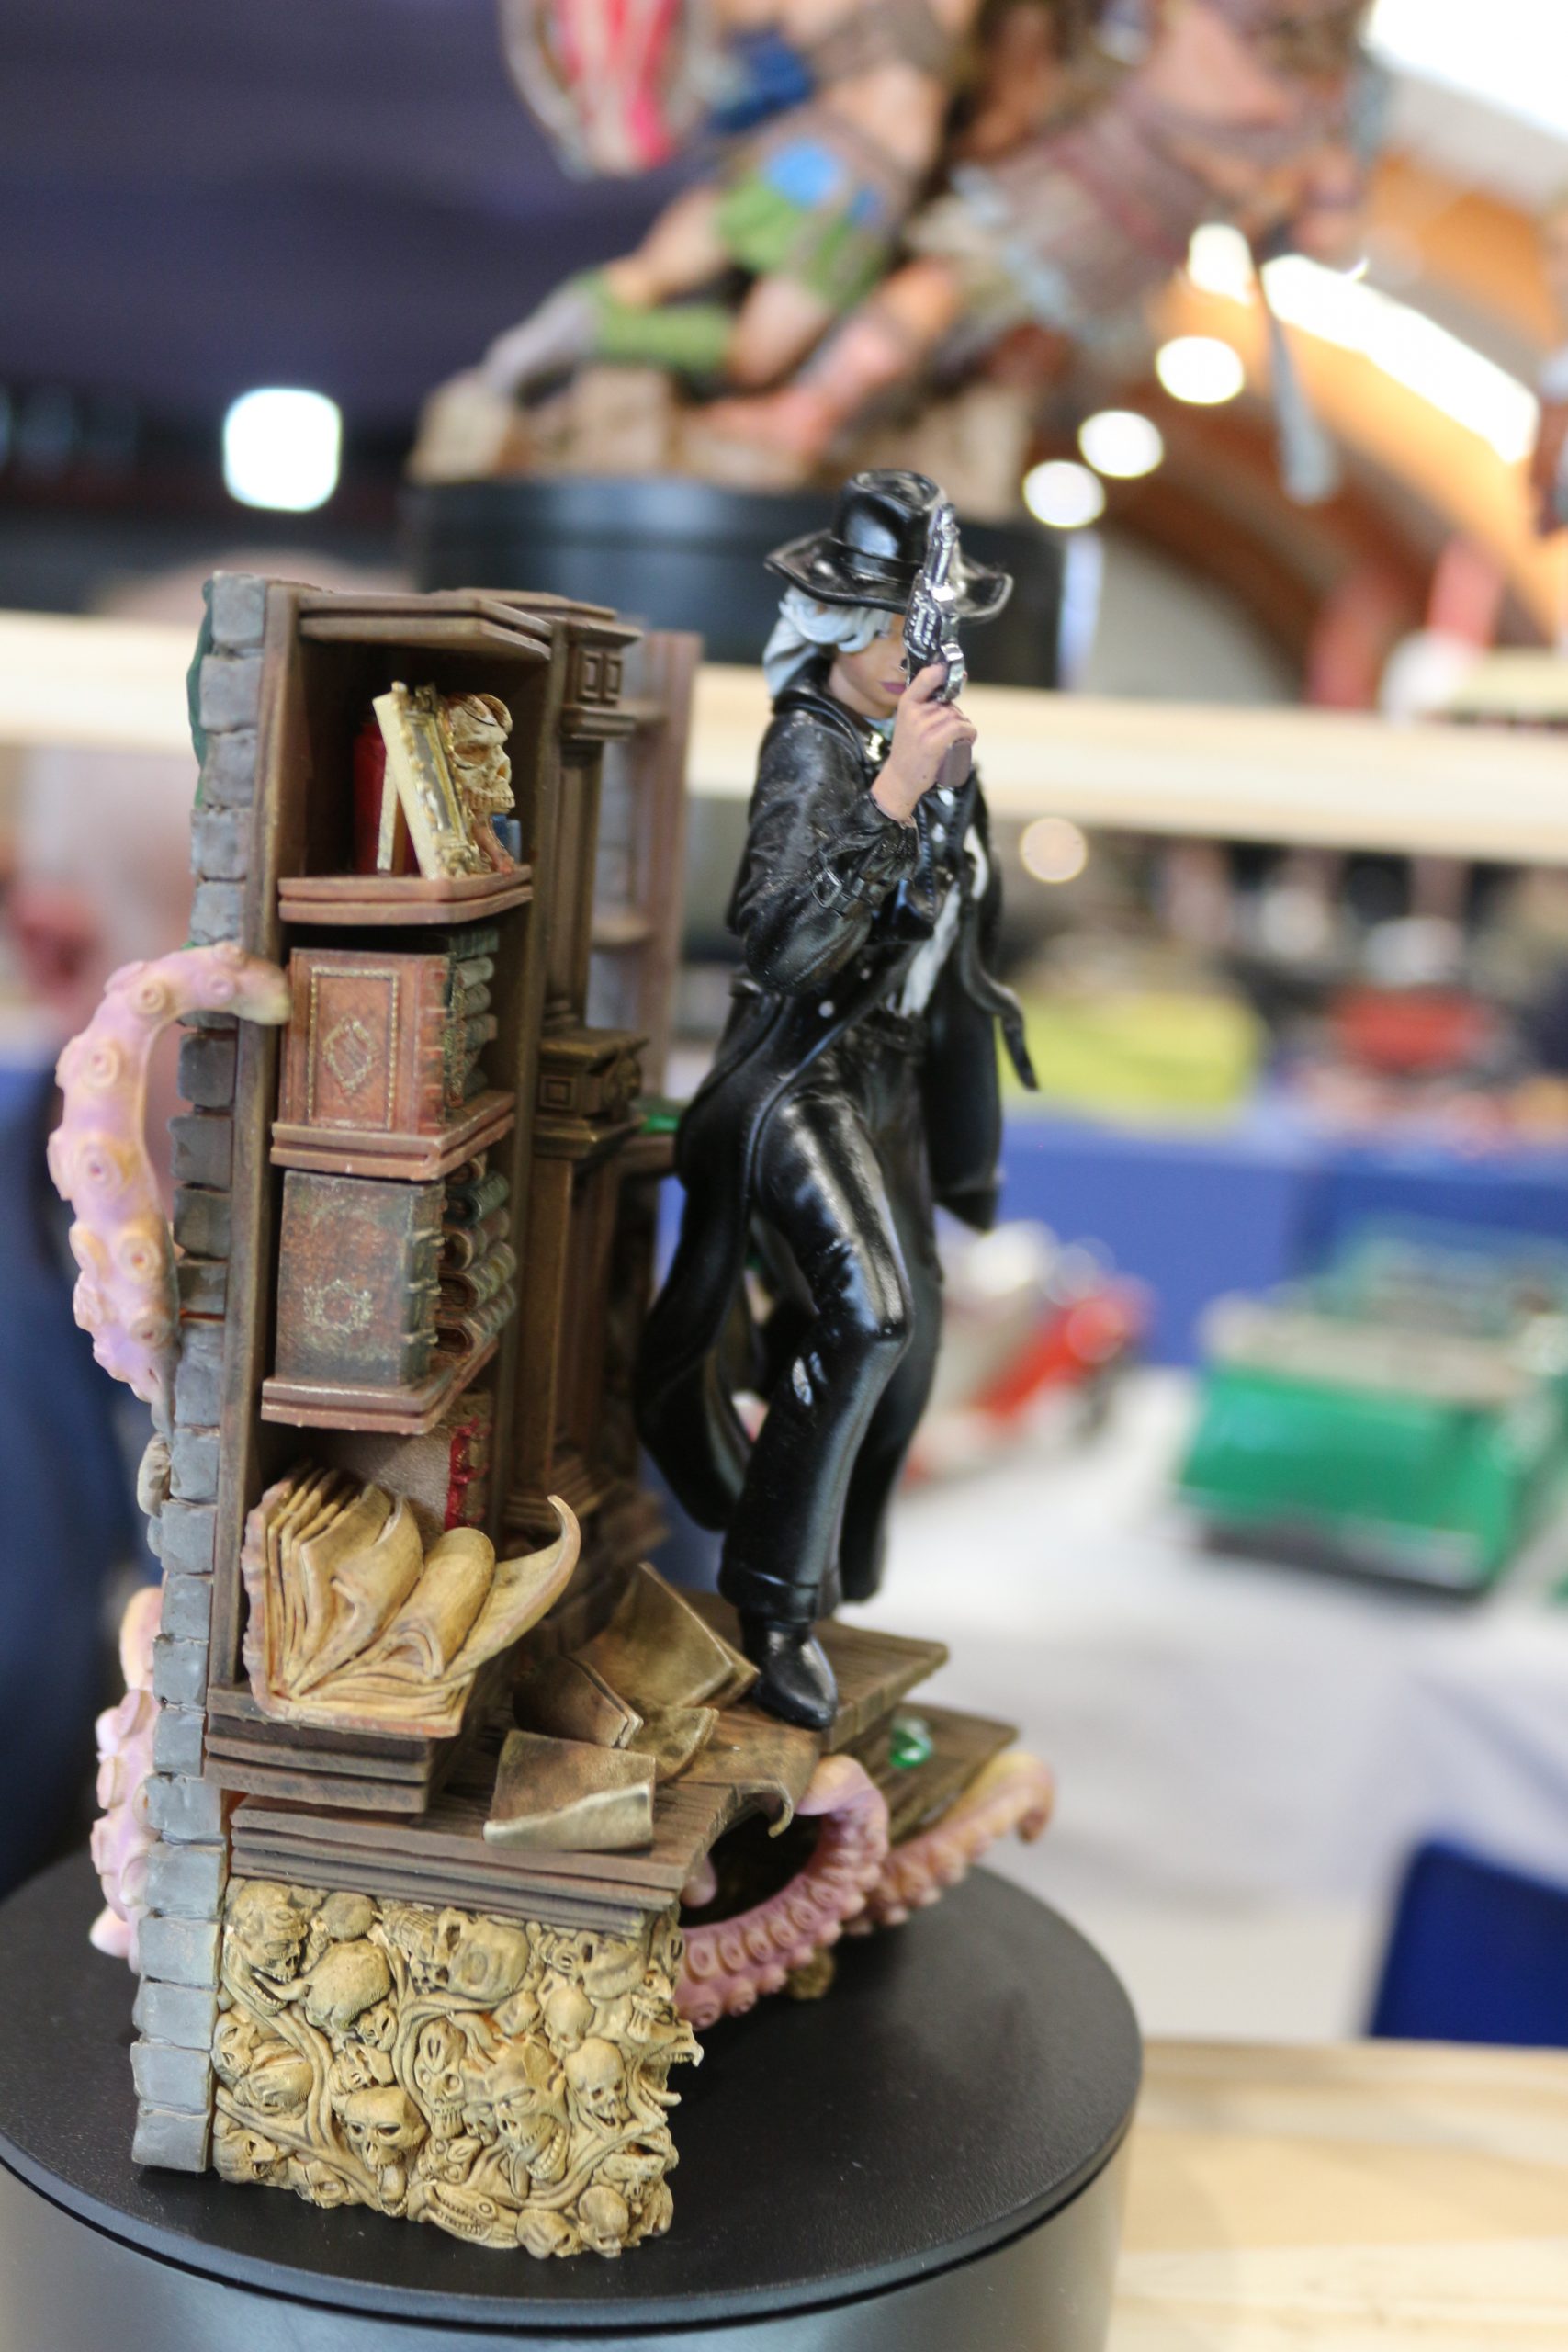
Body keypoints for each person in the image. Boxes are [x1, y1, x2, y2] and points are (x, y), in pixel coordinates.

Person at [637, 469, 1035, 1727]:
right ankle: (773, 1609)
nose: (921, 653)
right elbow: (782, 942)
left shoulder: (930, 745)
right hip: (798, 1072)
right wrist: (896, 795)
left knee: (910, 1349)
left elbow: (953, 939)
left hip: (889, 1079)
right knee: (868, 1316)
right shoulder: (813, 746)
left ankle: (838, 1587)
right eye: (898, 627)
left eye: (932, 629)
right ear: (837, 625)